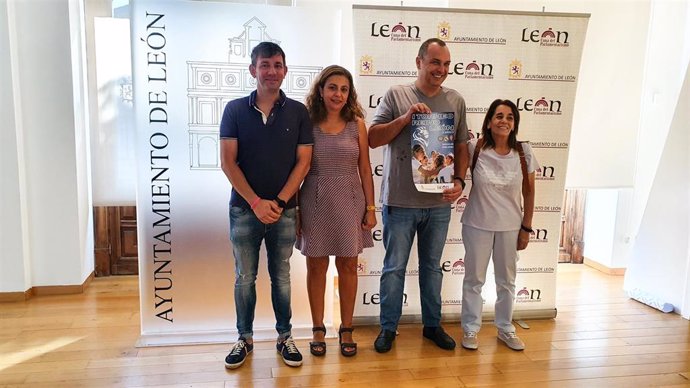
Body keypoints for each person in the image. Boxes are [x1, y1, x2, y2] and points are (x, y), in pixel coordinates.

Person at [368, 38, 469, 353]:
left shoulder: (456, 100)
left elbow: (463, 145)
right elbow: (372, 138)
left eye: (446, 64)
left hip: (438, 204)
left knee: (431, 267)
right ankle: (388, 329)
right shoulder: (397, 95)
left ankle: (432, 326)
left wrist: (460, 181)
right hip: (399, 203)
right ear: (419, 62)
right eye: (435, 62)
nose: (441, 69)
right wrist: (405, 119)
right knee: (394, 267)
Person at [219, 42, 313, 369]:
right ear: (252, 70)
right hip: (244, 210)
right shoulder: (233, 110)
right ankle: (244, 339)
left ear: (285, 71)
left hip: (284, 211)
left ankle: (285, 336)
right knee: (244, 277)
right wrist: (257, 203)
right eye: (264, 65)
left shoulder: (299, 112)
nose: (271, 71)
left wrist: (279, 201)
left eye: (277, 65)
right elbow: (228, 163)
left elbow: (303, 163)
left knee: (281, 277)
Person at [296, 65, 376, 357]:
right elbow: (297, 167)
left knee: (348, 266)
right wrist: (294, 209)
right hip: (314, 197)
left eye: (344, 89)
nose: (338, 94)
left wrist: (370, 207)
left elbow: (365, 168)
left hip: (350, 199)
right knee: (316, 266)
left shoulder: (357, 123)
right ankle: (318, 327)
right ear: (321, 90)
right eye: (332, 87)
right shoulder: (307, 122)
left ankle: (347, 328)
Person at [460, 99, 538, 351]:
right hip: (477, 224)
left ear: (515, 124)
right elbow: (455, 169)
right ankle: (470, 329)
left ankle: (505, 328)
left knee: (506, 281)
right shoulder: (476, 147)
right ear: (489, 121)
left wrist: (526, 227)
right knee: (474, 280)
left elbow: (530, 192)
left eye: (510, 117)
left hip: (510, 226)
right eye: (499, 116)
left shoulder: (524, 152)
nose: (504, 121)